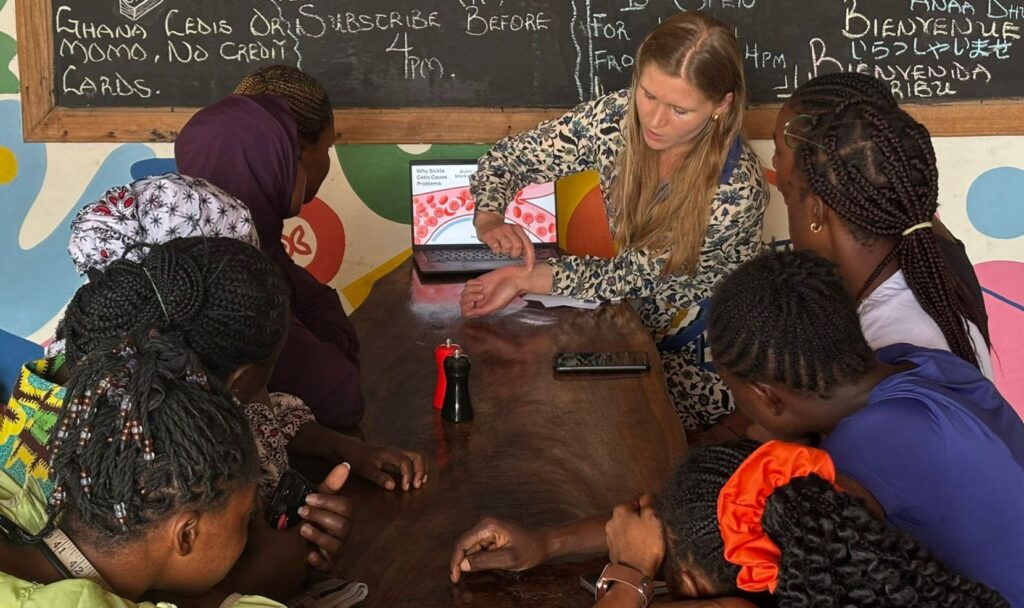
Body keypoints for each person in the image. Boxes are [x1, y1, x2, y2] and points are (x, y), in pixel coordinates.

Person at [461, 11, 768, 429]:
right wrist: (490, 216)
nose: (654, 121)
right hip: (625, 324)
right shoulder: (615, 117)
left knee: (583, 420)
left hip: (706, 361)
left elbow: (629, 274)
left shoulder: (736, 190)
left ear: (721, 105)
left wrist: (522, 278)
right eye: (647, 94)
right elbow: (511, 157)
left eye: (680, 110)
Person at [58, 173, 426, 494]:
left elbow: (260, 415)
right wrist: (292, 545)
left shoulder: (178, 364)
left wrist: (344, 449)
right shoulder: (124, 432)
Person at [706, 250, 1024, 605]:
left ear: (767, 396)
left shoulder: (856, 457)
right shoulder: (922, 361)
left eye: (737, 396)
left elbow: (830, 575)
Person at [450, 440, 1007, 607]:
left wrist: (628, 570)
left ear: (691, 588)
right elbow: (689, 515)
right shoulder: (845, 555)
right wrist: (548, 540)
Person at [0, 330, 283, 607]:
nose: (254, 526)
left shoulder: (16, 493)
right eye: (247, 517)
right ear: (186, 534)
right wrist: (266, 580)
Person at [770, 72, 993, 378]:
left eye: (779, 153)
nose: (776, 170)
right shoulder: (919, 253)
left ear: (818, 208)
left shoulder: (882, 349)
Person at [175, 83, 362, 431]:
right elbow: (339, 398)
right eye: (290, 155)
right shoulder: (236, 280)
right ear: (269, 163)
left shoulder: (195, 251)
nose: (302, 168)